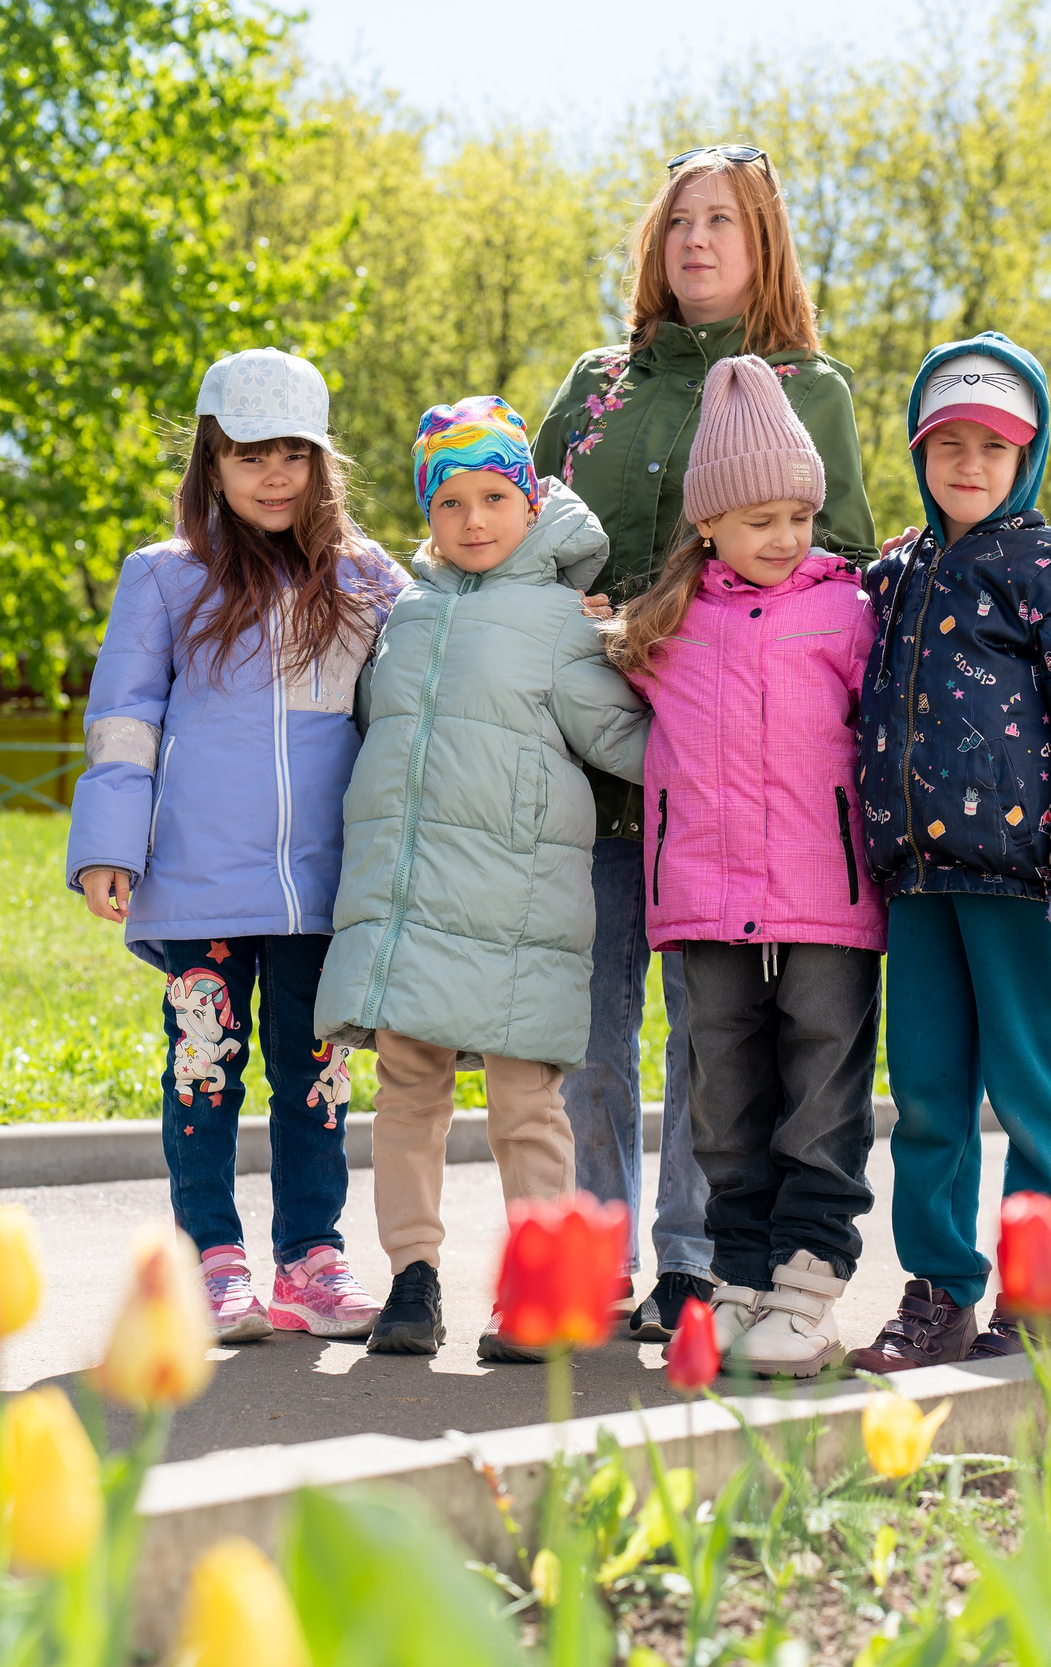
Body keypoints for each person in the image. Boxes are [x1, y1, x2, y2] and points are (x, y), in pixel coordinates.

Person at [531, 144, 877, 1341]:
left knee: (709, 1036)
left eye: (723, 220)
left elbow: (837, 573)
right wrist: (568, 613)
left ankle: (692, 1263)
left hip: (731, 785)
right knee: (587, 1030)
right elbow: (525, 535)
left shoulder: (808, 388)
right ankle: (586, 1255)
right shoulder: (596, 385)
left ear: (762, 240)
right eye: (679, 221)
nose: (697, 240)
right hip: (587, 766)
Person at [65, 349, 403, 1343]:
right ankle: (211, 1260)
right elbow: (123, 720)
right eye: (250, 454)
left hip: (322, 887)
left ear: (322, 461)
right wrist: (109, 846)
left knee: (317, 1079)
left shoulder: (368, 579)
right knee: (203, 1073)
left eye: (293, 454)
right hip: (199, 878)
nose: (273, 475)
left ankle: (311, 1260)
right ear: (211, 462)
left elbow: (432, 677)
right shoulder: (164, 578)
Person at [315, 398, 651, 1359]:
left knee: (526, 1104)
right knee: (407, 1093)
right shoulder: (406, 615)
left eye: (494, 497)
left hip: (518, 907)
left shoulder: (561, 621)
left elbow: (626, 740)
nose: (473, 521)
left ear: (530, 501)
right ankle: (412, 1277)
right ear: (428, 511)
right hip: (410, 902)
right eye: (450, 501)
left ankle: (543, 1290)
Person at [847, 334, 1051, 1372]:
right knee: (927, 1097)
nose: (969, 464)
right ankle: (939, 1293)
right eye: (948, 443)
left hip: (1025, 885)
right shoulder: (892, 575)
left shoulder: (1048, 566)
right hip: (918, 881)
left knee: (1035, 1091)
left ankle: (1040, 1292)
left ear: (1028, 455)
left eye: (994, 447)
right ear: (918, 451)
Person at [605, 355, 885, 1378]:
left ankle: (807, 1287)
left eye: (800, 516)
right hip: (706, 897)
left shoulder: (848, 612)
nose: (786, 536)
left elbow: (886, 731)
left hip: (827, 896)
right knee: (721, 1097)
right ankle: (738, 1277)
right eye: (759, 519)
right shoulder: (665, 628)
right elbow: (594, 692)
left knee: (821, 1090)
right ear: (708, 523)